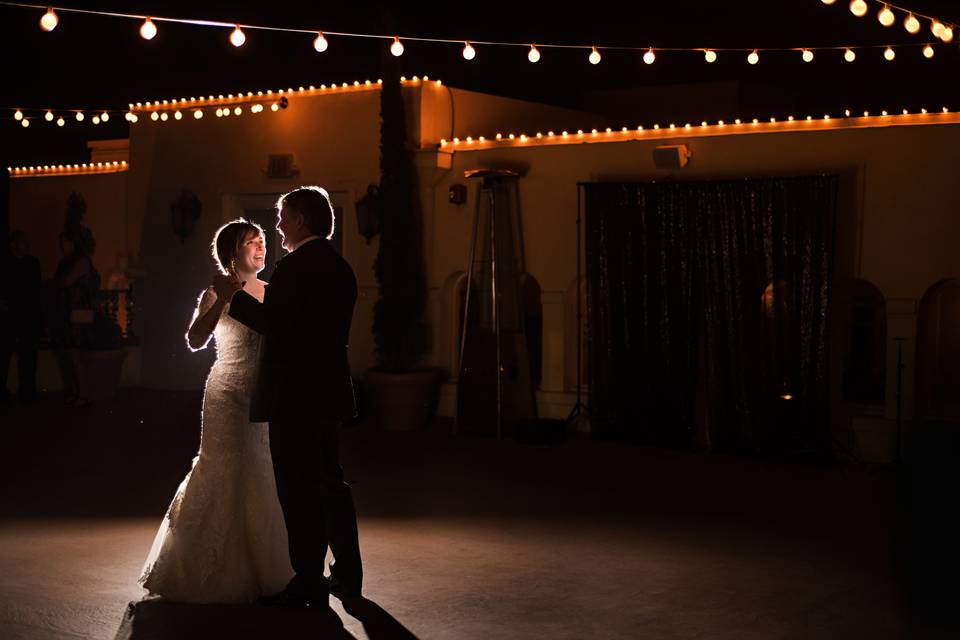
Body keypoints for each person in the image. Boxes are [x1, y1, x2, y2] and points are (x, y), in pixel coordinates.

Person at [213, 186, 362, 609]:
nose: (277, 226)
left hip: (293, 395)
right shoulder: (340, 267)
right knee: (331, 482)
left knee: (298, 489)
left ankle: (308, 580)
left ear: (300, 220)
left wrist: (233, 298)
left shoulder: (294, 268)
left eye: (283, 217)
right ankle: (349, 574)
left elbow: (274, 324)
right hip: (328, 389)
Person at [139, 219, 293, 603]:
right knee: (222, 467)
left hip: (262, 393)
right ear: (231, 253)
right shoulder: (213, 292)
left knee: (260, 468)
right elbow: (194, 339)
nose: (261, 247)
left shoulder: (273, 292)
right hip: (225, 391)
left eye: (262, 242)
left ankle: (264, 565)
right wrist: (224, 298)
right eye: (251, 243)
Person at [48, 229, 99, 407]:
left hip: (78, 316)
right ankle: (78, 393)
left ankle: (83, 394)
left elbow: (66, 282)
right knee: (71, 356)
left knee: (76, 356)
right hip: (69, 314)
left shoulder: (80, 262)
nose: (62, 246)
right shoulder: (67, 262)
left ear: (73, 243)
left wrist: (54, 284)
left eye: (65, 242)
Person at [1, 231, 42, 404]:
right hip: (8, 316)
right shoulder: (5, 263)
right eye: (23, 242)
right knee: (4, 354)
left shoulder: (32, 263)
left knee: (28, 356)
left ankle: (28, 391)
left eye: (27, 241)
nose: (27, 244)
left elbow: (35, 289)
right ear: (14, 245)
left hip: (27, 316)